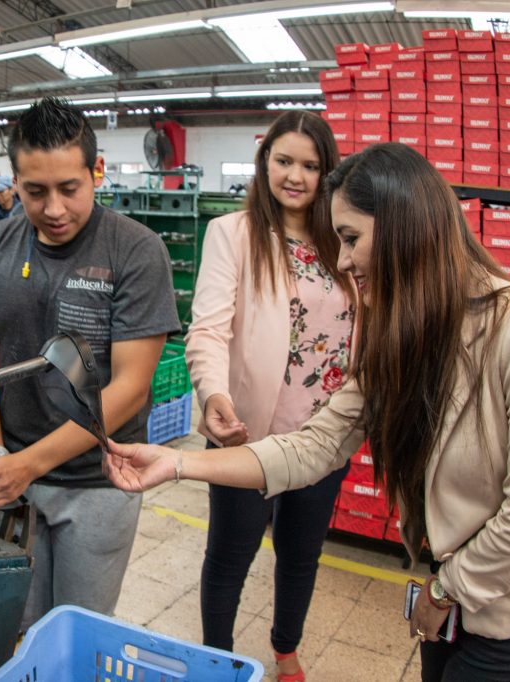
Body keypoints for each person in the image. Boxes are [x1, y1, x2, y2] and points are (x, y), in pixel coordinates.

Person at [106, 143, 510, 681]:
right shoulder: (399, 331)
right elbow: (314, 444)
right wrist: (178, 465)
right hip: (451, 595)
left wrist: (444, 590)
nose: (341, 261)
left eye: (352, 239)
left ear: (407, 225)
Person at [0, 96, 180, 631]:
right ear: (15, 181)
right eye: (35, 191)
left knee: (80, 628)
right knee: (17, 626)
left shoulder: (136, 251)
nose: (54, 209)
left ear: (95, 172)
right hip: (14, 474)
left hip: (100, 481)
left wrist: (31, 462)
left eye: (69, 189)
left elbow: (130, 389)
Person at [186, 110, 354, 682]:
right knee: (230, 555)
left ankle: (286, 650)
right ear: (264, 163)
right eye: (284, 161)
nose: (296, 176)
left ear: (327, 172)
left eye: (311, 165)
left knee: (301, 554)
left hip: (324, 436)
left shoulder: (344, 242)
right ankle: (217, 658)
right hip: (246, 432)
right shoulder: (232, 234)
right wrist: (212, 393)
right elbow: (208, 328)